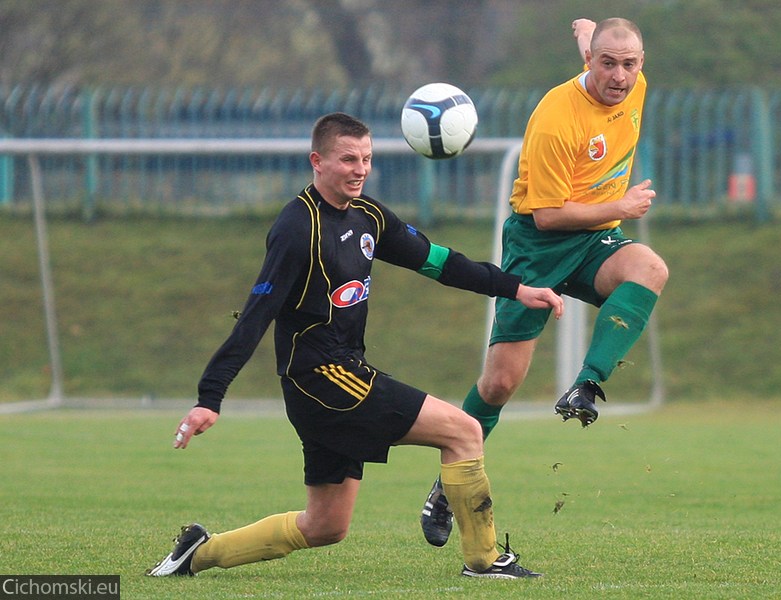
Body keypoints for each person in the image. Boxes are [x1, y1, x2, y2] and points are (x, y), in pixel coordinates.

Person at [144, 112, 564, 580]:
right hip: (323, 378)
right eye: (348, 159)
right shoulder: (296, 226)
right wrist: (210, 397)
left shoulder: (369, 215)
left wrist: (514, 288)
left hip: (335, 376)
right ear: (317, 162)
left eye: (366, 158)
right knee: (464, 431)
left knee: (325, 526)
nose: (360, 168)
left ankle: (197, 554)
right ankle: (486, 560)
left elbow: (437, 262)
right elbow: (256, 314)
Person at [420, 17, 668, 548]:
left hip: (595, 238)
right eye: (608, 63)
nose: (620, 76)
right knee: (501, 384)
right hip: (538, 245)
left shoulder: (630, 81)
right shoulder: (557, 118)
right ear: (591, 63)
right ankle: (446, 484)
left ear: (641, 63)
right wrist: (621, 205)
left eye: (629, 64)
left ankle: (588, 382)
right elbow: (549, 216)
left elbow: (603, 48)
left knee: (650, 267)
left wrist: (586, 32)